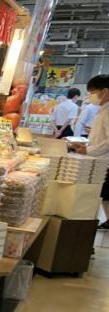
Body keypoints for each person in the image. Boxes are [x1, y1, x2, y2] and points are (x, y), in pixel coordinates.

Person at [74, 75, 109, 229]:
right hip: (100, 160)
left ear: (105, 91)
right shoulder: (103, 110)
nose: (90, 96)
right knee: (103, 195)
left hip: (104, 162)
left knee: (102, 194)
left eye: (92, 92)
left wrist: (88, 149)